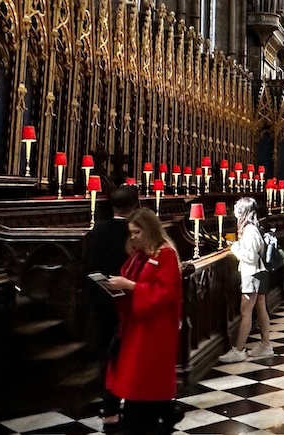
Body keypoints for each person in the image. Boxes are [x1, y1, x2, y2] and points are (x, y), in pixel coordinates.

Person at [104, 209, 183, 435]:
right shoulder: (141, 254)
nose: (134, 236)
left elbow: (163, 293)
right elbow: (129, 276)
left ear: (149, 230)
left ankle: (152, 419)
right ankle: (153, 416)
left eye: (138, 231)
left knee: (145, 380)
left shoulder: (165, 254)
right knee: (133, 379)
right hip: (135, 326)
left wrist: (129, 287)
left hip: (155, 330)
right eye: (132, 232)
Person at [85, 183, 138, 433]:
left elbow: (89, 264)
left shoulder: (98, 229)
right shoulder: (135, 233)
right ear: (135, 205)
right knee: (125, 351)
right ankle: (119, 398)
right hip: (127, 300)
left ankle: (106, 397)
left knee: (105, 346)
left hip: (100, 296)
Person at [219, 198, 273, 363]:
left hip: (253, 273)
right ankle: (265, 345)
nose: (235, 212)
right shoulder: (254, 227)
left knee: (246, 311)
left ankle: (239, 350)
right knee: (260, 307)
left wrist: (234, 247)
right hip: (260, 272)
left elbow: (250, 256)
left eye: (237, 209)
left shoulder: (249, 230)